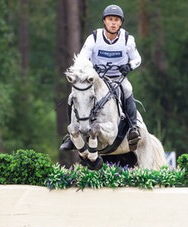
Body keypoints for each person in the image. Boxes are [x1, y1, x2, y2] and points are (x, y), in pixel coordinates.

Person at [60, 4, 142, 152]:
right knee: (72, 96)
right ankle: (70, 135)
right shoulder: (94, 38)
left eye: (116, 20)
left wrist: (129, 66)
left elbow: (137, 59)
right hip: (97, 79)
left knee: (128, 88)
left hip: (118, 78)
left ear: (121, 23)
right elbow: (82, 59)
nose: (113, 23)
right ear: (104, 21)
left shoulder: (127, 39)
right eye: (110, 19)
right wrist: (90, 68)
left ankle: (133, 128)